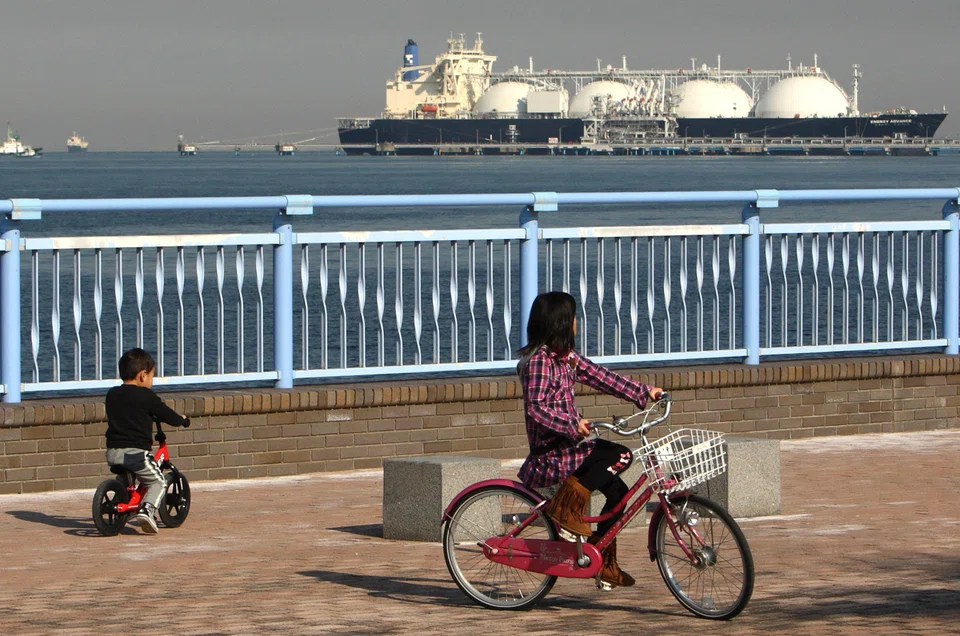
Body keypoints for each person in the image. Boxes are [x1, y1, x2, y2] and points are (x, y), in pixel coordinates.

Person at [517, 291, 663, 589]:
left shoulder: (565, 358)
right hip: (552, 454)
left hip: (570, 448)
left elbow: (599, 376)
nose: (576, 324)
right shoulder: (539, 363)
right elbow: (536, 409)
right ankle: (565, 508)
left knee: (619, 494)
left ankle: (603, 560)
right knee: (619, 454)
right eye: (572, 318)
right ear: (560, 323)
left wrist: (643, 392)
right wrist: (572, 424)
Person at [105, 348, 190, 534]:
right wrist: (181, 420)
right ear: (143, 375)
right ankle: (147, 510)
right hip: (135, 454)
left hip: (112, 452)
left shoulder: (112, 395)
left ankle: (123, 500)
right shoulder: (146, 396)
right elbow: (167, 414)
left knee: (126, 480)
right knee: (158, 482)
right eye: (152, 376)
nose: (151, 381)